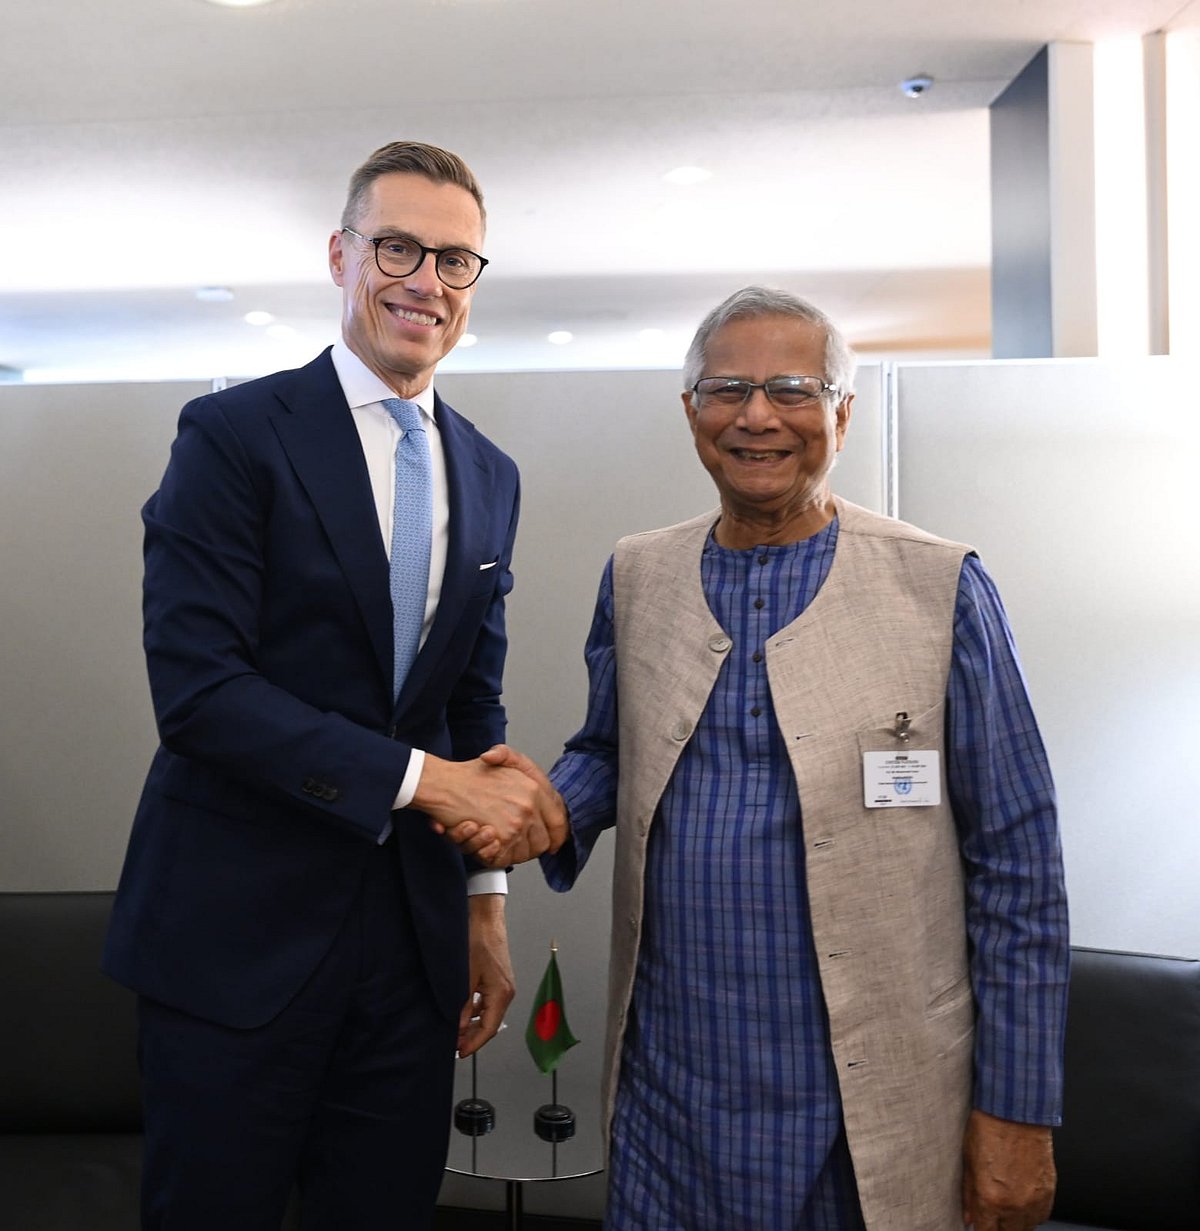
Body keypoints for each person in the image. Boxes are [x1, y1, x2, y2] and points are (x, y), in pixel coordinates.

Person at [476, 287, 1069, 1230]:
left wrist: (1019, 1111)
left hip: (868, 1099)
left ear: (843, 412)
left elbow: (1020, 866)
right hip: (674, 1086)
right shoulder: (639, 573)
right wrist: (539, 808)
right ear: (692, 412)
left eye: (793, 389)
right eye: (728, 390)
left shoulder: (939, 586)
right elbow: (612, 747)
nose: (757, 416)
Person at [103, 140, 564, 1231]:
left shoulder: (490, 473)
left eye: (455, 260)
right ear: (341, 255)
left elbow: (470, 707)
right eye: (397, 247)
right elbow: (202, 693)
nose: (426, 282)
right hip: (234, 944)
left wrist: (485, 907)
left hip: (409, 951)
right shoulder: (232, 436)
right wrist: (427, 783)